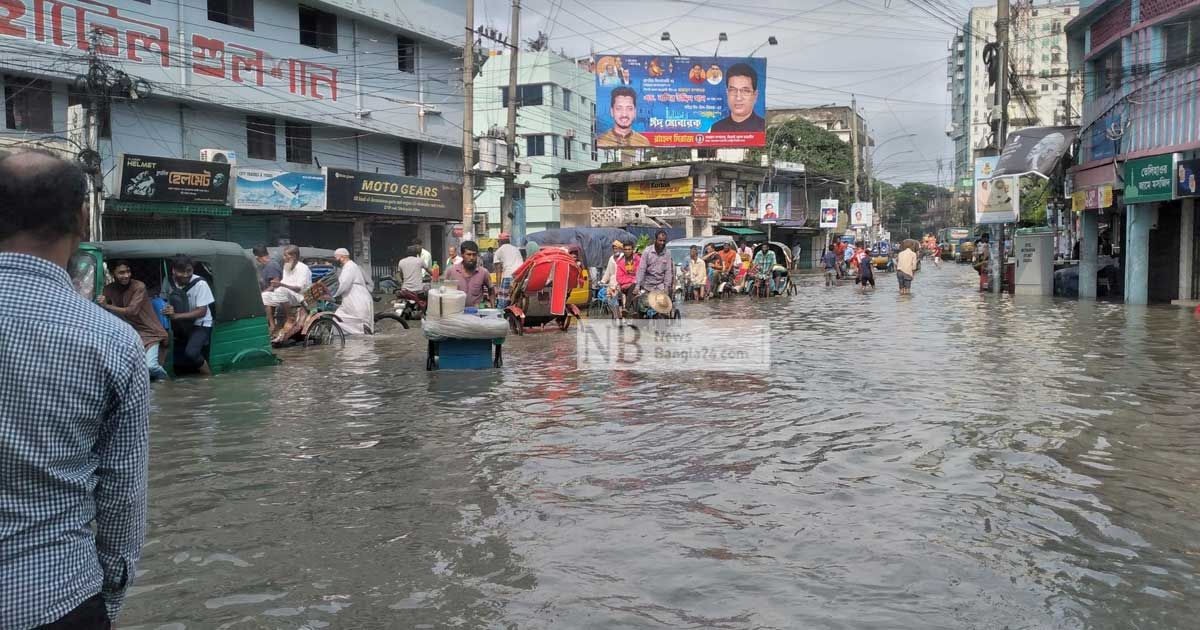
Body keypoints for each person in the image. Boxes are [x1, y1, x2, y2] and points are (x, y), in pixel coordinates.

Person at [0, 149, 150, 629]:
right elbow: (122, 498)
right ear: (82, 220)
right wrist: (107, 595)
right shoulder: (109, 341)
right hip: (55, 594)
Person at [98, 260, 169, 381]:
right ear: (113, 273)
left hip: (150, 333)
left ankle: (168, 384)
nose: (126, 275)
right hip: (128, 334)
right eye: (121, 272)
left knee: (150, 367)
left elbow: (132, 311)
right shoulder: (108, 289)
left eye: (128, 271)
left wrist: (107, 305)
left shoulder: (139, 286)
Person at [163, 255, 215, 374]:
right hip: (180, 325)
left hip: (201, 324)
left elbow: (202, 311)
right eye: (182, 271)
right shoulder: (168, 281)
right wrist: (167, 309)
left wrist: (176, 316)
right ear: (174, 270)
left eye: (189, 271)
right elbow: (163, 300)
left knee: (192, 352)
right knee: (181, 361)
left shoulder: (200, 283)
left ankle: (209, 379)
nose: (186, 274)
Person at [261, 245, 311, 342]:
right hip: (286, 295)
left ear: (294, 256)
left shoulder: (303, 268)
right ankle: (272, 324)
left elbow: (298, 288)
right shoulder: (287, 266)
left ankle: (290, 318)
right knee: (265, 296)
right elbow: (284, 283)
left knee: (280, 290)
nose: (284, 258)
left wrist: (281, 284)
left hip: (301, 296)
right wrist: (276, 285)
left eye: (285, 256)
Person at [711, 63, 765, 132]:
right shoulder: (717, 128)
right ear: (727, 93)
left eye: (745, 91)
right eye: (733, 90)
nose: (738, 97)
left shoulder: (762, 127)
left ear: (755, 95)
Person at [332, 248, 374, 335]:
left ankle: (362, 331)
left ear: (342, 257)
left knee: (346, 319)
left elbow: (344, 283)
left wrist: (333, 295)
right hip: (353, 297)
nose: (336, 260)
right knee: (338, 318)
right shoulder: (351, 266)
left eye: (336, 257)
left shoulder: (349, 267)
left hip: (355, 297)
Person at [446, 240, 494, 307]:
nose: (471, 258)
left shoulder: (483, 272)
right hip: (457, 313)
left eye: (474, 255)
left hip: (476, 314)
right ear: (462, 255)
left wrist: (493, 308)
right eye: (468, 254)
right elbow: (446, 293)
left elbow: (491, 290)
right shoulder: (451, 271)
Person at [253, 244, 283, 335]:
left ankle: (271, 325)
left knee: (264, 296)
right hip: (271, 295)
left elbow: (275, 284)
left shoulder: (271, 265)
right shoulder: (265, 266)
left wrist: (263, 292)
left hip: (277, 293)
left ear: (258, 258)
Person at [636, 229, 674, 296]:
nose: (662, 243)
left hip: (660, 286)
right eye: (660, 240)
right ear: (655, 240)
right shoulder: (647, 252)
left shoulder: (667, 253)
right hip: (647, 286)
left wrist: (667, 288)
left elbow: (668, 271)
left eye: (664, 241)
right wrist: (637, 285)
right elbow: (642, 269)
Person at [493, 232, 523, 308]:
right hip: (520, 276)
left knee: (502, 304)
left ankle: (500, 318)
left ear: (499, 242)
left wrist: (498, 287)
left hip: (508, 276)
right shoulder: (516, 249)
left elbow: (498, 272)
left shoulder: (499, 251)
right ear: (508, 241)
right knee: (515, 300)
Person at [615, 241, 641, 317]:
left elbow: (640, 274)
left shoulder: (638, 260)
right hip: (625, 286)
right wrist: (631, 280)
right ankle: (632, 310)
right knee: (633, 286)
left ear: (632, 250)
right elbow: (619, 278)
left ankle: (627, 308)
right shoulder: (620, 262)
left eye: (629, 249)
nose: (627, 251)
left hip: (637, 285)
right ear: (623, 250)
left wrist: (633, 281)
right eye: (625, 249)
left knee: (634, 287)